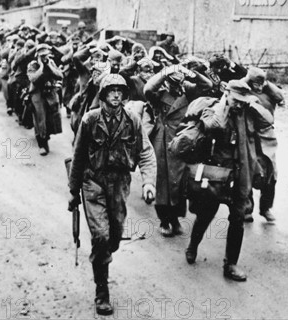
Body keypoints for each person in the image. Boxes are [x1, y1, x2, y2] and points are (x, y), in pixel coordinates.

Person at [67, 74, 157, 316]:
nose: (116, 95)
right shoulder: (90, 120)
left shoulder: (133, 120)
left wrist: (149, 183)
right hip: (93, 182)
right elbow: (78, 158)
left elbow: (146, 153)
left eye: (120, 91)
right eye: (111, 90)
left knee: (114, 235)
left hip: (119, 184)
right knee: (101, 236)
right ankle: (102, 291)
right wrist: (73, 191)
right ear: (103, 94)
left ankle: (105, 252)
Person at [185, 80, 273, 281]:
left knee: (238, 219)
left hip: (241, 174)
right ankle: (193, 245)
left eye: (242, 100)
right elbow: (213, 126)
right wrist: (224, 104)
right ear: (227, 93)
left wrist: (252, 103)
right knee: (206, 214)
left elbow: (267, 120)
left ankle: (230, 264)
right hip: (217, 174)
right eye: (236, 99)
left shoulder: (247, 112)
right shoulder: (214, 109)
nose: (239, 104)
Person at [144, 65, 213, 236]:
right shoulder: (158, 95)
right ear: (166, 82)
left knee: (180, 183)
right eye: (173, 83)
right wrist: (165, 72)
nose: (177, 87)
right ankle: (165, 220)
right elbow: (147, 88)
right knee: (163, 182)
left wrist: (192, 73)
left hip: (183, 141)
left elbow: (207, 86)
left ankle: (175, 218)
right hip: (163, 142)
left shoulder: (188, 91)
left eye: (179, 83)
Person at [242, 67, 284, 223]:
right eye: (255, 82)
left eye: (261, 82)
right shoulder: (244, 91)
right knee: (249, 172)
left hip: (267, 136)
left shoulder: (269, 93)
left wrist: (266, 83)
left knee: (271, 174)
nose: (258, 86)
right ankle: (247, 208)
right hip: (249, 136)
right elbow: (232, 89)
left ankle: (265, 208)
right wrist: (247, 79)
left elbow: (280, 97)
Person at [26, 44, 63, 155]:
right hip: (37, 93)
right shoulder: (33, 65)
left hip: (50, 92)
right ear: (37, 55)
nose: (44, 58)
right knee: (40, 118)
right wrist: (41, 67)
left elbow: (59, 75)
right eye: (42, 56)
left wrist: (50, 66)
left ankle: (45, 137)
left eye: (46, 55)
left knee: (52, 117)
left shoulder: (51, 63)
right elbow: (33, 78)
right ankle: (41, 144)